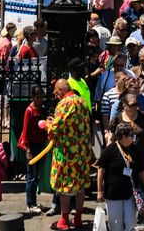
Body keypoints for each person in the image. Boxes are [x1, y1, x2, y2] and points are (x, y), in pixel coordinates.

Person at [46, 77, 93, 231]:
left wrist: (46, 124)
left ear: (61, 91)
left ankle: (64, 220)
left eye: (55, 92)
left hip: (67, 153)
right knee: (80, 185)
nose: (55, 96)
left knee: (64, 186)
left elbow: (55, 128)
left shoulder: (64, 103)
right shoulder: (82, 102)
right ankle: (78, 218)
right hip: (82, 152)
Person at [97, 122, 144, 231]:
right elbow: (100, 169)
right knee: (115, 224)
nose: (133, 137)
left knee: (131, 223)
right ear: (123, 136)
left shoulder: (134, 149)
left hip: (129, 193)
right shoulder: (110, 150)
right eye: (131, 135)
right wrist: (99, 191)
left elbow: (141, 170)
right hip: (113, 194)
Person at [18, 85, 50, 216]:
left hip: (41, 144)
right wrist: (28, 149)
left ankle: (34, 202)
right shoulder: (29, 111)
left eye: (41, 97)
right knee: (31, 176)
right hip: (32, 145)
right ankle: (30, 204)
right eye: (37, 97)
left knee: (37, 175)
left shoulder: (42, 109)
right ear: (33, 97)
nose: (40, 99)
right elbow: (25, 131)